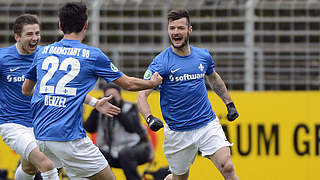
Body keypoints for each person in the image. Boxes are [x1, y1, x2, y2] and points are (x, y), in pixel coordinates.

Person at [22, 2, 162, 180]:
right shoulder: (92, 55)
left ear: (60, 25)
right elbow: (128, 84)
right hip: (69, 138)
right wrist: (152, 82)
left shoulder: (42, 53)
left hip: (40, 135)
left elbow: (26, 89)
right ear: (86, 25)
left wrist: (87, 101)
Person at [137, 9, 240, 180]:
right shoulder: (161, 62)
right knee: (179, 178)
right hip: (178, 132)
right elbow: (141, 96)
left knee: (227, 166)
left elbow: (214, 79)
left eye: (180, 28)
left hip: (206, 124)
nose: (175, 32)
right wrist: (149, 118)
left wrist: (229, 104)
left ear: (189, 30)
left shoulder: (203, 56)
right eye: (172, 28)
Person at [0, 14, 60, 180]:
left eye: (37, 33)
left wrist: (94, 102)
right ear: (17, 37)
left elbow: (61, 88)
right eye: (29, 34)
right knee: (47, 164)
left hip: (40, 124)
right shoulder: (3, 59)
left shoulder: (46, 56)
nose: (35, 38)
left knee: (29, 167)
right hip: (12, 124)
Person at [84, 83, 154, 180]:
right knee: (95, 155)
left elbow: (132, 127)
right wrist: (97, 108)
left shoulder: (129, 107)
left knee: (125, 154)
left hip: (137, 148)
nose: (111, 99)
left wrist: (117, 110)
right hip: (110, 150)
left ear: (120, 96)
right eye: (108, 97)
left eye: (114, 96)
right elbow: (89, 128)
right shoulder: (101, 109)